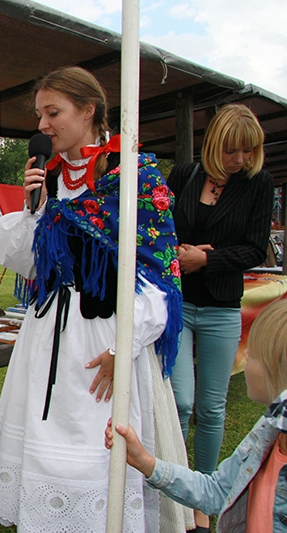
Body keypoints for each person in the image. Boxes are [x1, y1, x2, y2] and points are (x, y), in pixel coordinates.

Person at [0, 66, 186, 532]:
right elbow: (25, 263)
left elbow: (160, 278)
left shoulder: (134, 177)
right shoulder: (50, 179)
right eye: (40, 115)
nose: (42, 125)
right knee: (43, 439)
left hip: (108, 335)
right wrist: (33, 209)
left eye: (53, 113)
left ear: (89, 110)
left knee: (100, 446)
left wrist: (122, 348)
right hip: (46, 334)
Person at [167, 104, 274, 531]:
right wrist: (180, 253)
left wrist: (207, 259)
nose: (241, 160)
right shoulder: (184, 175)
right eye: (233, 150)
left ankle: (202, 496)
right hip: (177, 304)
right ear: (214, 144)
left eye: (249, 151)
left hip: (222, 307)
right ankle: (172, 489)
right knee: (180, 402)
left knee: (211, 408)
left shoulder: (258, 183)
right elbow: (158, 228)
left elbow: (255, 248)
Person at [107, 298, 287, 533]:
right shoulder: (267, 431)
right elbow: (216, 492)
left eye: (255, 354)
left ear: (277, 369)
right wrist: (146, 462)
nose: (246, 353)